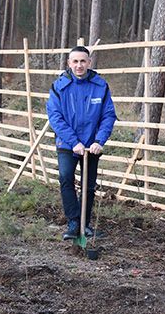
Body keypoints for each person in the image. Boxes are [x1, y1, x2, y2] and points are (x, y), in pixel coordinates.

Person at [47, 46, 117, 240]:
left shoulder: (100, 86)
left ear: (89, 63)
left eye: (83, 61)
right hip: (67, 144)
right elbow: (55, 117)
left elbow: (108, 115)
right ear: (69, 64)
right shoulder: (59, 86)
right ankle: (73, 222)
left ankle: (85, 225)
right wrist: (73, 142)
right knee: (66, 178)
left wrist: (99, 140)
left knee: (89, 185)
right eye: (75, 61)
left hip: (91, 145)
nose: (79, 65)